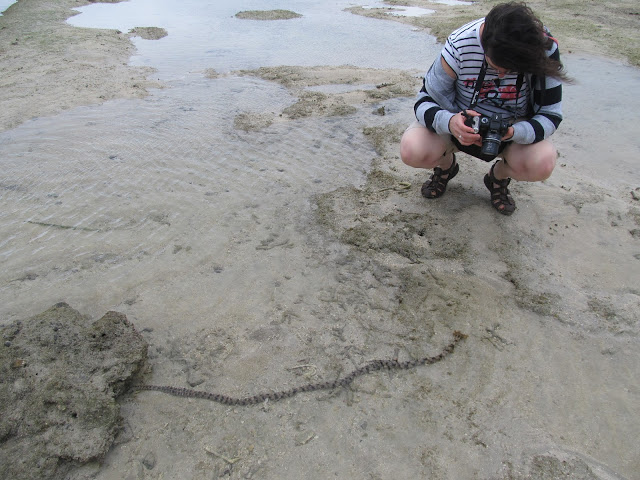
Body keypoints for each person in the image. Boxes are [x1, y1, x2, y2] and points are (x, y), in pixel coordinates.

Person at [400, 2, 569, 215]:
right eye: (496, 66)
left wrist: (514, 132)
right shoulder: (460, 44)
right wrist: (451, 123)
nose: (501, 75)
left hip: (512, 128)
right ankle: (446, 167)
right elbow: (424, 101)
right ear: (484, 43)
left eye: (511, 70)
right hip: (458, 120)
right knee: (412, 150)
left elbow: (551, 115)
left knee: (542, 163)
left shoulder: (544, 49)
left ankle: (498, 177)